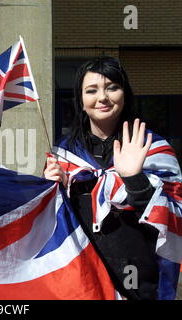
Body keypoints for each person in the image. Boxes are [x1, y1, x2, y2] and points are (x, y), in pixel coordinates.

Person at [44, 56, 181, 300]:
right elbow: (49, 227)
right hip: (81, 278)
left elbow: (176, 218)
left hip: (141, 280)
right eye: (91, 90)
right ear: (81, 100)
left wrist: (135, 180)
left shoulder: (153, 147)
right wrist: (53, 190)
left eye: (112, 87)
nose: (102, 98)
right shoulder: (62, 154)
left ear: (125, 94)